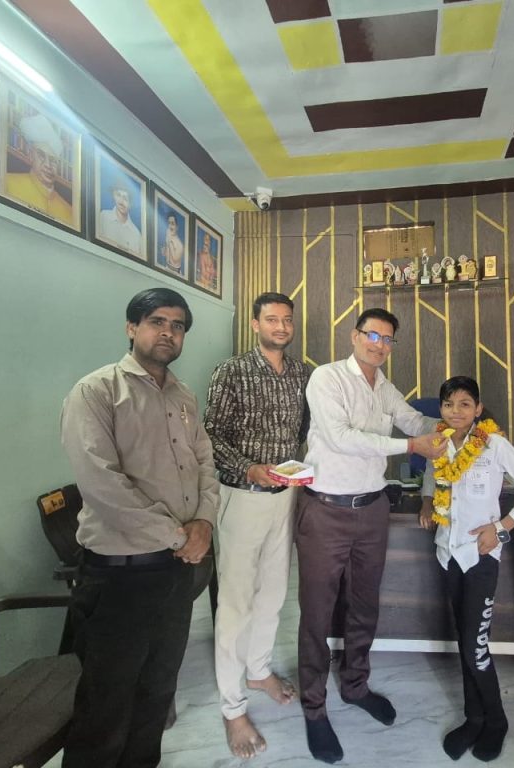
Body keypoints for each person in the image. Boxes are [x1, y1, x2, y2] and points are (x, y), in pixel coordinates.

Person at [59, 287, 220, 768]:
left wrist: (205, 521)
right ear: (131, 328)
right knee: (106, 705)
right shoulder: (97, 392)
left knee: (157, 692)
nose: (168, 332)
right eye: (157, 322)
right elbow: (101, 484)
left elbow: (205, 463)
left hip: (175, 572)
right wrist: (180, 535)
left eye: (178, 325)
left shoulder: (184, 396)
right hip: (119, 575)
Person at [297, 307, 446, 764]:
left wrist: (455, 426)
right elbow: (341, 438)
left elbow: (413, 421)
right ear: (354, 335)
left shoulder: (384, 387)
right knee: (317, 612)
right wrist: (411, 447)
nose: (379, 344)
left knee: (364, 605)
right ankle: (314, 707)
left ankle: (355, 685)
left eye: (387, 339)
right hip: (326, 510)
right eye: (372, 335)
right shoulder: (327, 378)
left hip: (372, 509)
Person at [203, 292, 311, 759]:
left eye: (287, 320)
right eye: (271, 319)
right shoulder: (231, 371)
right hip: (242, 497)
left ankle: (259, 670)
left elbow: (305, 430)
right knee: (236, 604)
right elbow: (211, 434)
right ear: (255, 324)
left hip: (285, 497)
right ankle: (232, 708)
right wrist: (248, 468)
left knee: (273, 593)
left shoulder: (304, 373)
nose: (281, 327)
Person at [418, 376, 514, 762]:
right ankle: (474, 718)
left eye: (464, 404)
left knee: (475, 646)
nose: (456, 411)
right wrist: (426, 502)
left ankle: (496, 720)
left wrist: (502, 528)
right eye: (448, 404)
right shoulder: (437, 443)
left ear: (478, 409)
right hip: (447, 553)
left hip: (480, 556)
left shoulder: (493, 444)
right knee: (465, 641)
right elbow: (432, 477)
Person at [5, 113, 74, 226]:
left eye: (53, 161)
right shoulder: (8, 182)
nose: (48, 165)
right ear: (30, 155)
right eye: (41, 156)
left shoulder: (68, 211)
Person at [98, 182, 142, 255]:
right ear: (114, 196)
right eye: (118, 195)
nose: (121, 202)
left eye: (125, 198)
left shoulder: (136, 234)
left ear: (130, 204)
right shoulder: (103, 216)